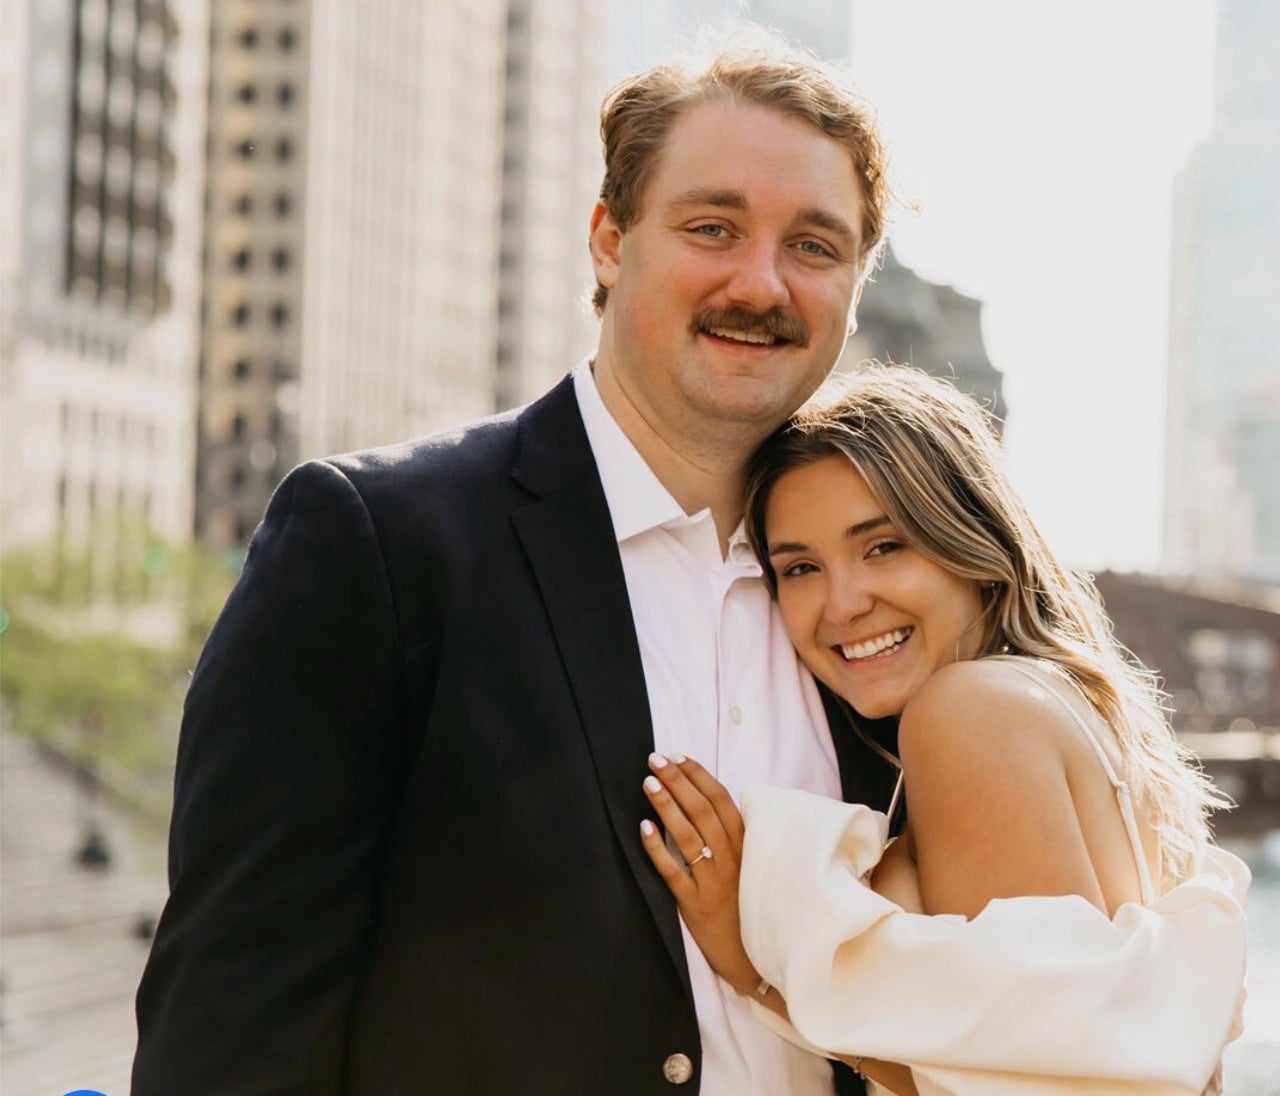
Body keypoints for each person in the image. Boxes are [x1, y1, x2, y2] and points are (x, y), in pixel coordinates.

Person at [135, 44, 904, 1094]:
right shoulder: (376, 545)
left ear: (855, 289)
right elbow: (230, 1023)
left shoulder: (883, 601)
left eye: (814, 246)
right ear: (607, 240)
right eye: (712, 227)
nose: (760, 282)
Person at [632, 367, 1248, 1095]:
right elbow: (1045, 1057)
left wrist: (749, 962)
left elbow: (1023, 1082)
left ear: (972, 544)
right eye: (800, 567)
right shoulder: (1066, 704)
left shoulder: (968, 712)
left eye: (883, 547)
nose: (842, 605)